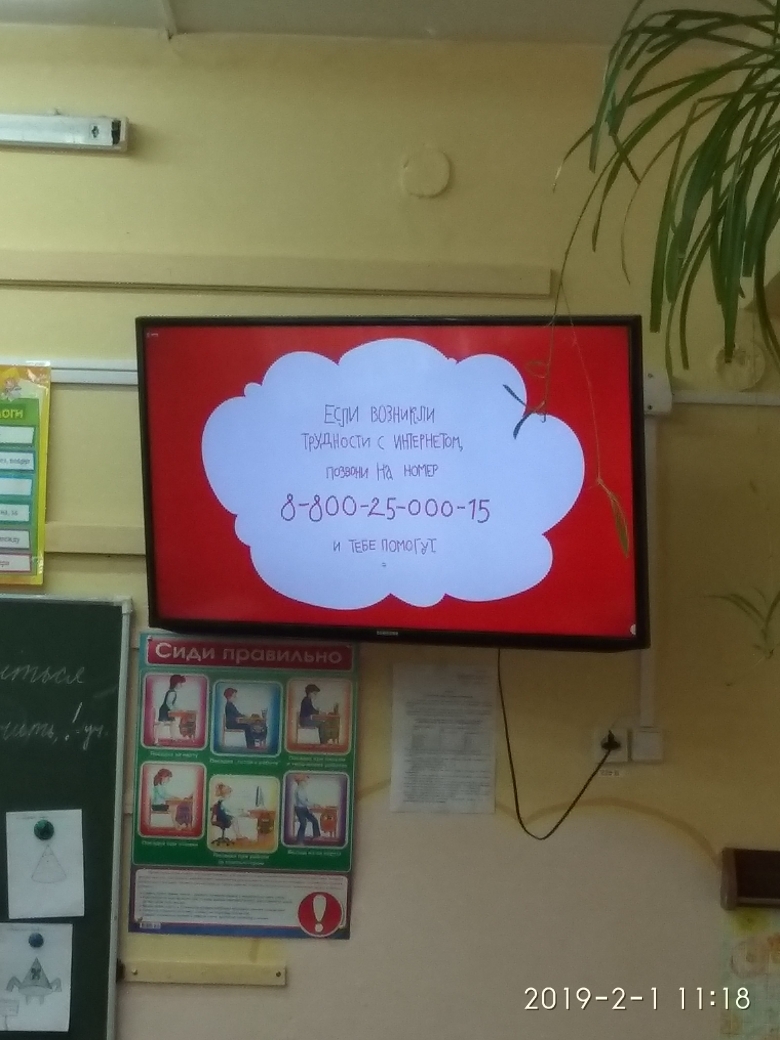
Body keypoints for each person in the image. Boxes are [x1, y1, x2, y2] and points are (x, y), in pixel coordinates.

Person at [293, 776, 320, 843]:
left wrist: (312, 805)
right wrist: (313, 805)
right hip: (299, 809)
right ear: (301, 782)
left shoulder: (303, 790)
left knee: (314, 820)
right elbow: (303, 801)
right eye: (305, 781)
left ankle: (316, 836)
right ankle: (300, 841)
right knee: (303, 824)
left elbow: (306, 801)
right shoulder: (299, 790)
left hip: (304, 808)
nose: (306, 783)